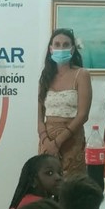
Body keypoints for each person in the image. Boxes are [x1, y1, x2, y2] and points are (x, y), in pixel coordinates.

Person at [37, 28, 91, 177]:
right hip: (47, 143)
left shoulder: (81, 74)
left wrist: (58, 142)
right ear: (51, 49)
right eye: (57, 44)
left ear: (72, 49)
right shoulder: (46, 77)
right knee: (46, 189)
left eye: (65, 45)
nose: (61, 48)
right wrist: (46, 142)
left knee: (71, 189)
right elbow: (40, 116)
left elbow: (83, 115)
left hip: (71, 141)